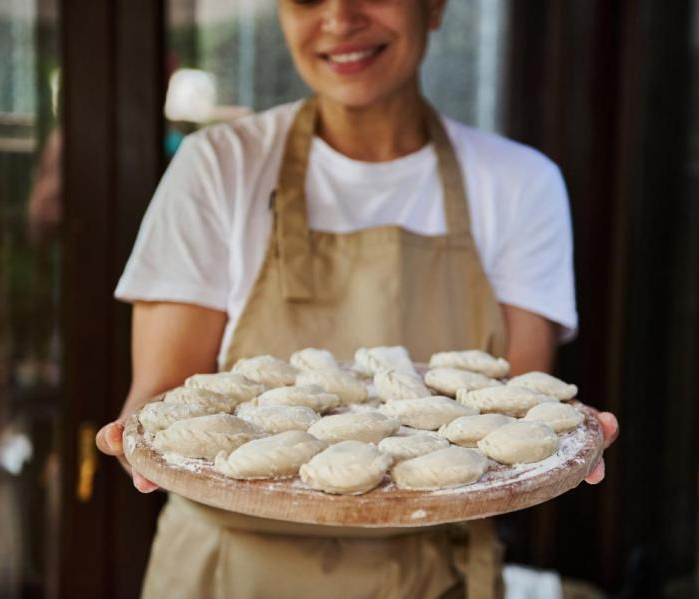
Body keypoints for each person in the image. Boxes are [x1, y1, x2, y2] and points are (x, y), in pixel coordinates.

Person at [96, 0, 619, 597]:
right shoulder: (219, 167)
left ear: (437, 8)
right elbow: (160, 409)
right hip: (226, 572)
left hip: (432, 573)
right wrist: (135, 446)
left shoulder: (521, 186)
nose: (340, 18)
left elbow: (516, 427)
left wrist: (561, 451)